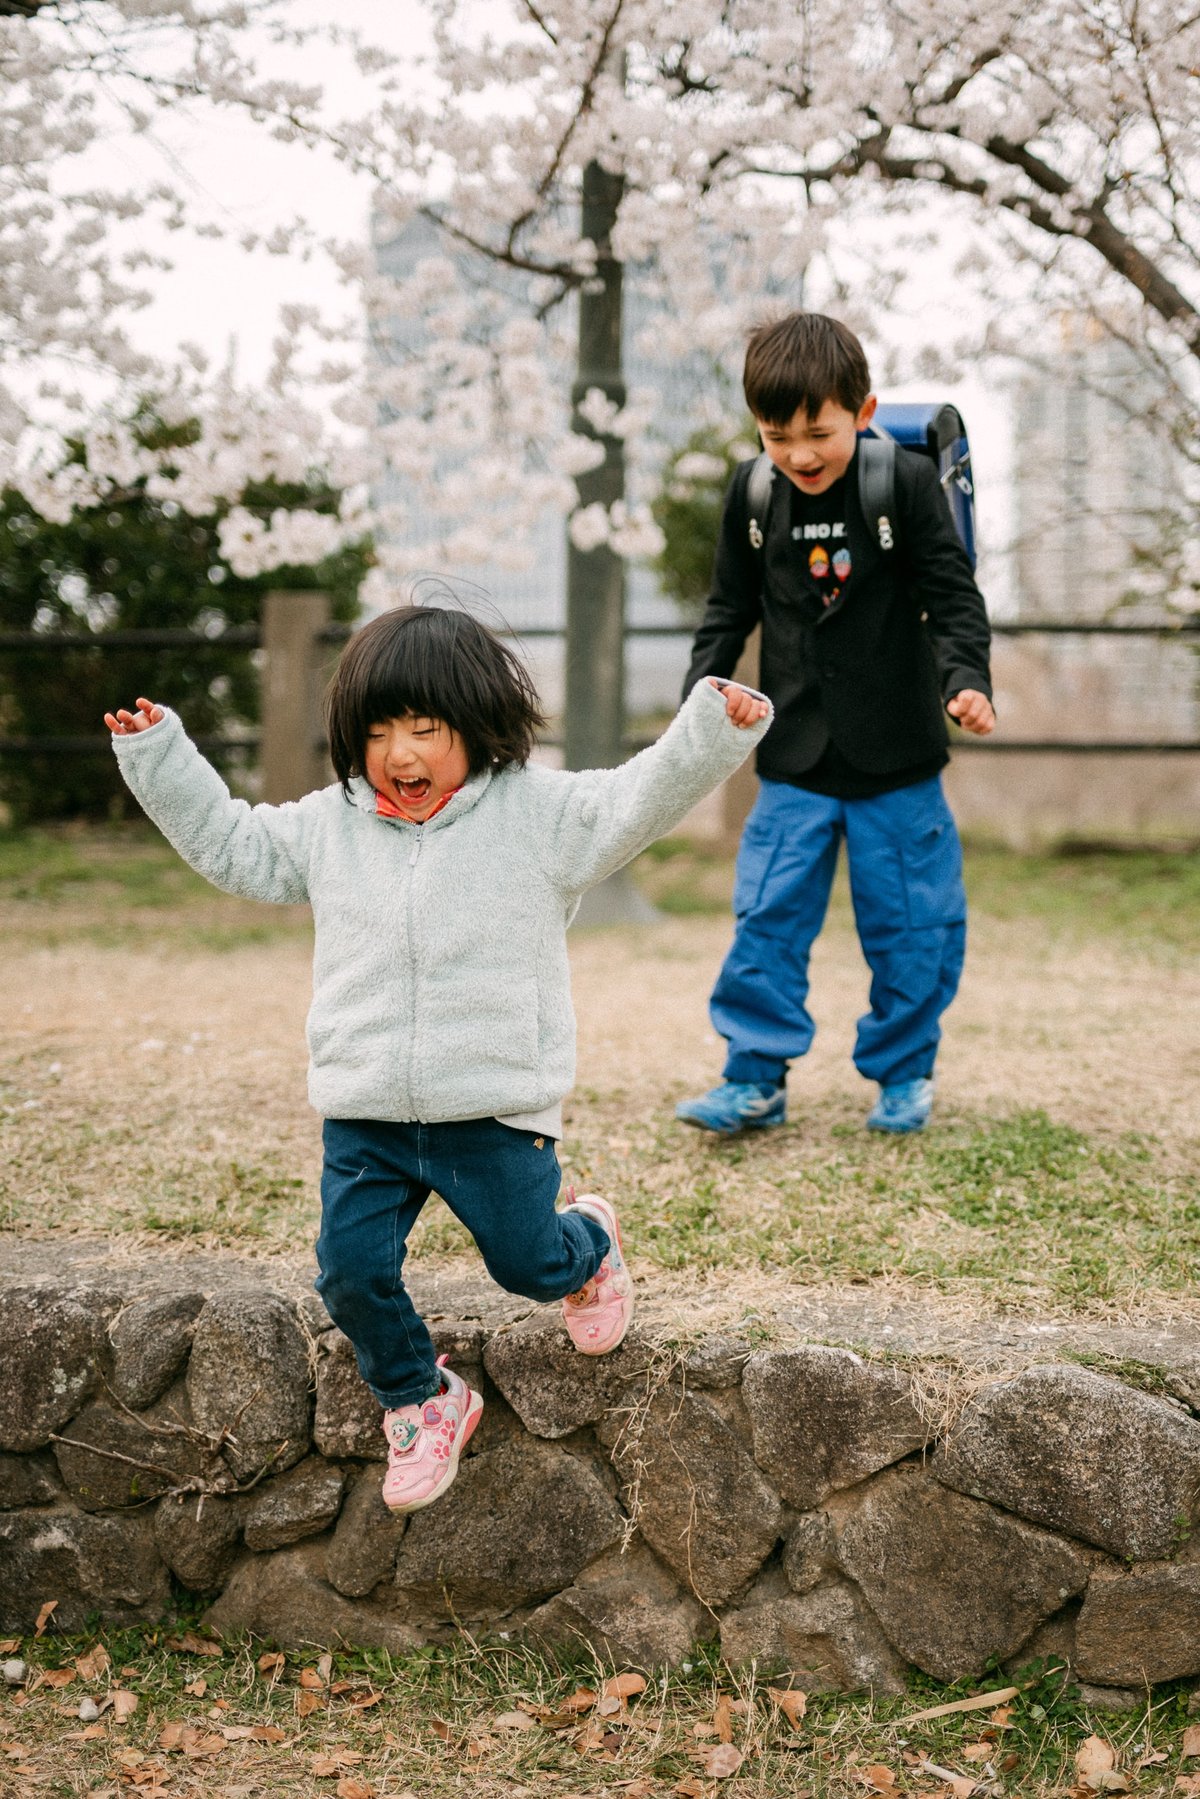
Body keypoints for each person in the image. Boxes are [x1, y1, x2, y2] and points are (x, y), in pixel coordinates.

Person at [105, 604, 770, 1513]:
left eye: (425, 729)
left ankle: (590, 1247)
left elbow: (633, 797)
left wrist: (707, 730)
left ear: (479, 728)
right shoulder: (329, 826)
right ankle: (421, 1398)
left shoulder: (537, 816)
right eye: (377, 732)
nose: (400, 754)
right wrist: (160, 757)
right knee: (348, 1269)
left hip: (491, 1106)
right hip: (368, 1111)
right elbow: (233, 846)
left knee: (527, 1265)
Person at [676, 311, 994, 1139]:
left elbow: (954, 599)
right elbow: (726, 611)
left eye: (817, 432)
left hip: (898, 759)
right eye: (777, 435)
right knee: (765, 921)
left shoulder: (903, 485)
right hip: (794, 762)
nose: (800, 454)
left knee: (915, 928)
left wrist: (967, 682)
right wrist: (698, 699)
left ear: (863, 410)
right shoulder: (752, 494)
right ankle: (753, 1076)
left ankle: (902, 1074)